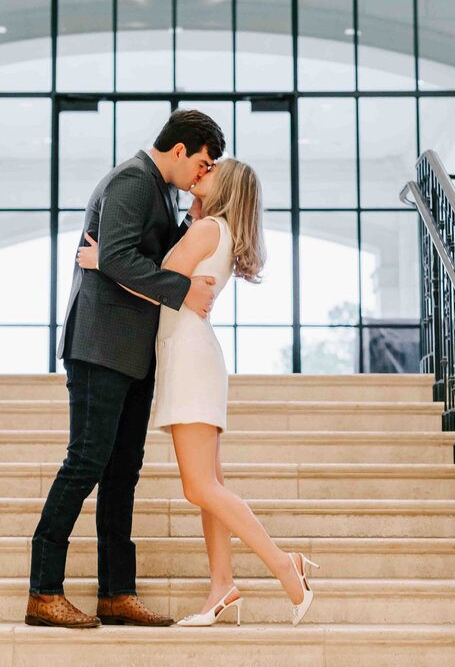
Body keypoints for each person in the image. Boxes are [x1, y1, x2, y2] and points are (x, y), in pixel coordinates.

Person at [76, 157, 318, 627]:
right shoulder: (210, 228)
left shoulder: (209, 231)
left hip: (189, 358)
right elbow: (173, 283)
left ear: (223, 185)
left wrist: (103, 261)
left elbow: (156, 286)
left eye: (211, 170)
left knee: (199, 486)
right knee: (212, 485)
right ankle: (222, 587)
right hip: (190, 355)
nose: (200, 172)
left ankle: (285, 566)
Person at [25, 109, 224, 629]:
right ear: (180, 151)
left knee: (122, 473)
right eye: (202, 164)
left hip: (132, 352)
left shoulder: (161, 191)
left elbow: (141, 255)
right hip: (100, 346)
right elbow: (114, 257)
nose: (203, 175)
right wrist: (182, 291)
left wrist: (193, 215)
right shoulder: (135, 180)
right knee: (86, 461)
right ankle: (43, 590)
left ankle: (116, 594)